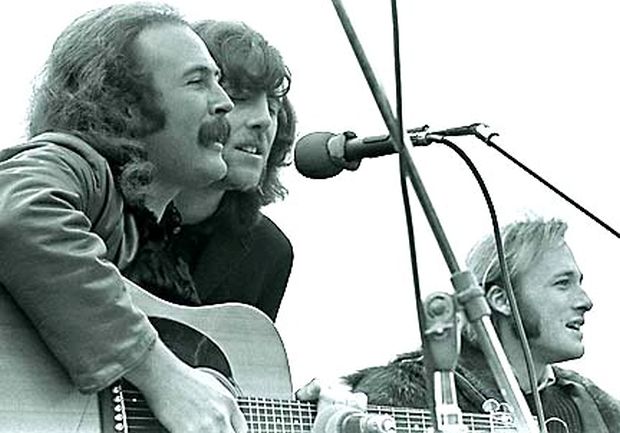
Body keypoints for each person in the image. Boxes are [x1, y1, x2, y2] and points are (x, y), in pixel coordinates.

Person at [0, 4, 264, 433]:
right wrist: (159, 373)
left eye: (220, 83)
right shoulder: (76, 166)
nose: (224, 104)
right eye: (198, 82)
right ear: (125, 106)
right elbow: (20, 211)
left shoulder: (156, 238)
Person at [344, 217, 620, 432]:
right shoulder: (404, 393)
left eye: (579, 283)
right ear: (501, 300)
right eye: (563, 284)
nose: (585, 301)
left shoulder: (588, 404)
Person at [124, 20, 295, 321]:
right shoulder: (100, 208)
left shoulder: (268, 252)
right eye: (239, 98)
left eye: (272, 106)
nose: (264, 121)